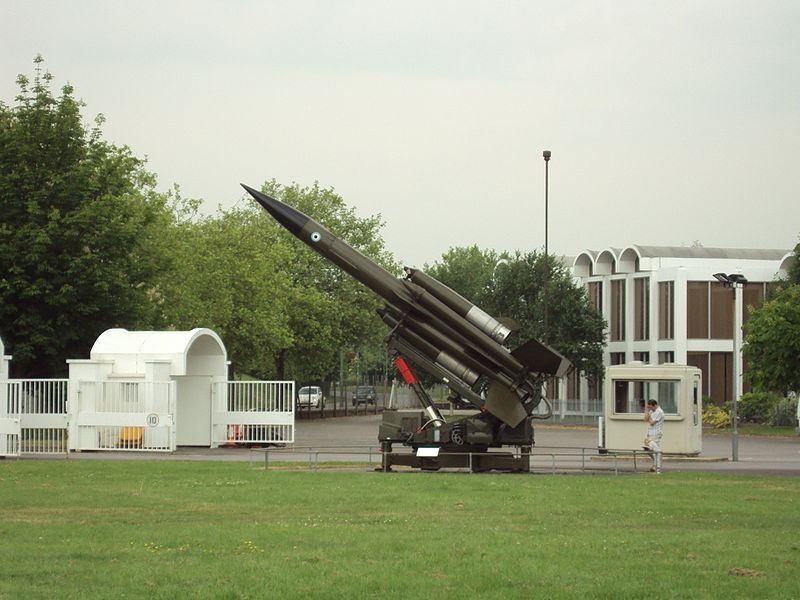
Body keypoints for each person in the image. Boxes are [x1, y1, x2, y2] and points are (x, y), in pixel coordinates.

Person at [643, 399, 664, 472]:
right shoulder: (651, 411)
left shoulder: (659, 411)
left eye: (651, 407)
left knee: (655, 450)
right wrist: (647, 411)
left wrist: (649, 418)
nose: (650, 409)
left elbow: (652, 422)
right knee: (648, 450)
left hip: (656, 433)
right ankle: (655, 465)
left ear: (654, 405)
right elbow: (645, 419)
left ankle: (657, 466)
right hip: (650, 432)